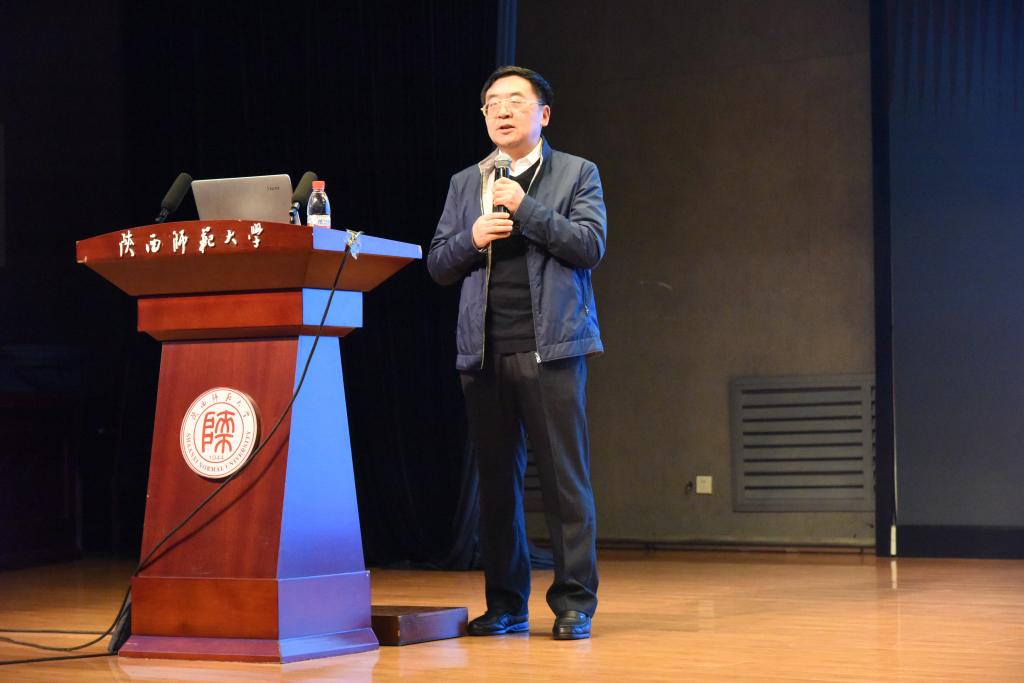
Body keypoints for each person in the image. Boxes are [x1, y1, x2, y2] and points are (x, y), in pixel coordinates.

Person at [427, 65, 607, 640]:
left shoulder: (576, 173)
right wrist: (470, 239)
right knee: (497, 486)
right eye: (492, 104)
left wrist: (525, 209)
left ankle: (574, 603)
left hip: (551, 347)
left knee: (564, 482)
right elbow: (437, 263)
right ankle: (506, 603)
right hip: (484, 353)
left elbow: (589, 246)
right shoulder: (466, 182)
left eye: (515, 101)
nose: (502, 111)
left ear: (543, 114)